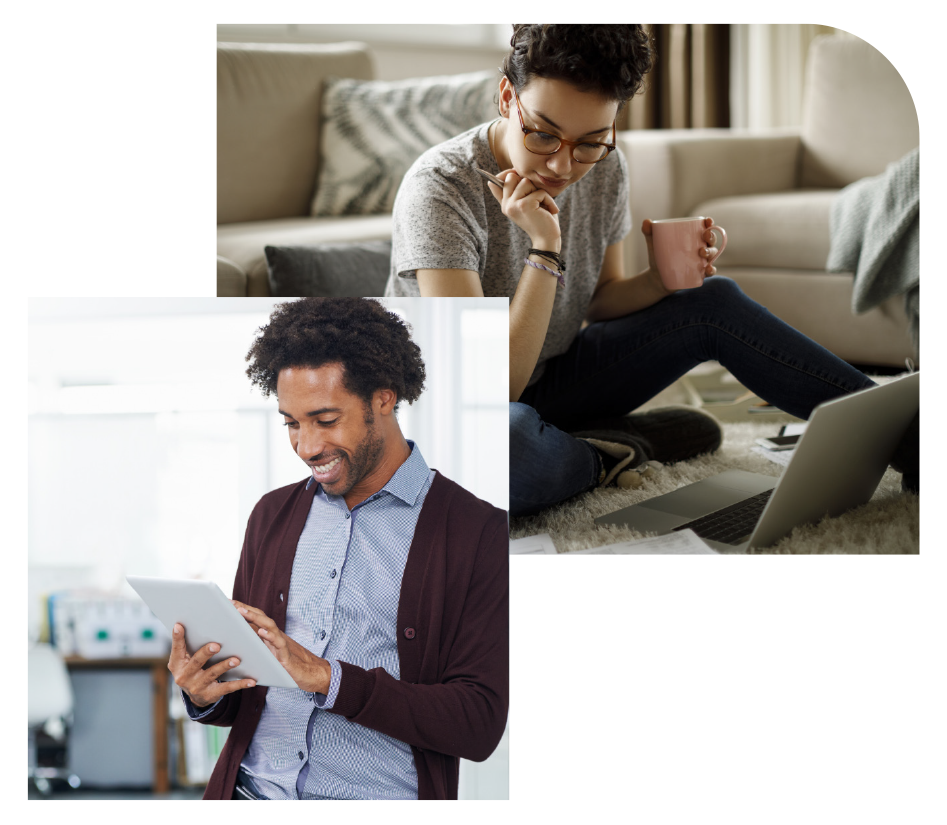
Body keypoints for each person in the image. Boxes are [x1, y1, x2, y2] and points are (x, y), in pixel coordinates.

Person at [384, 23, 919, 515]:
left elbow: (602, 298)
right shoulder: (441, 187)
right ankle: (614, 449)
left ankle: (918, 443)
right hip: (457, 407)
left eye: (590, 141)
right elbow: (492, 386)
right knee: (500, 452)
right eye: (543, 134)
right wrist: (544, 249)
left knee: (712, 303)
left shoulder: (606, 166)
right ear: (508, 97)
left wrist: (661, 282)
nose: (562, 166)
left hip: (556, 378)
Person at [167, 298, 509, 801]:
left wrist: (328, 679)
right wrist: (202, 692)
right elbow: (245, 688)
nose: (306, 447)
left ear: (383, 400)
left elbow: (478, 724)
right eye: (291, 422)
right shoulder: (271, 515)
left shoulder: (476, 531)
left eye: (325, 420)